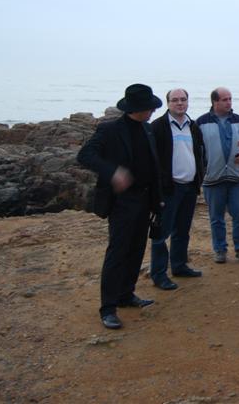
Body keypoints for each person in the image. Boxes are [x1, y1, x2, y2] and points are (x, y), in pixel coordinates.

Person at [77, 83, 164, 330]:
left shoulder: (147, 129)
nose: (152, 112)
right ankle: (108, 308)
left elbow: (153, 166)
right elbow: (85, 155)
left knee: (137, 249)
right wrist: (112, 172)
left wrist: (158, 199)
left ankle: (127, 294)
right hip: (122, 202)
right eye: (150, 108)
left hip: (145, 199)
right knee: (118, 252)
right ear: (138, 108)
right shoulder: (109, 130)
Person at [149, 88, 205, 290]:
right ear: (168, 103)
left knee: (182, 231)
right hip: (169, 189)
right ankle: (158, 274)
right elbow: (152, 160)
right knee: (161, 234)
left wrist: (199, 177)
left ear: (188, 102)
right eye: (175, 100)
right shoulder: (158, 127)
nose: (180, 103)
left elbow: (200, 154)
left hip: (190, 188)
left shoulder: (193, 126)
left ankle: (179, 266)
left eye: (183, 100)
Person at [195, 87, 239, 264]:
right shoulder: (201, 123)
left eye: (230, 99)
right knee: (216, 218)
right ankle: (220, 250)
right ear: (215, 102)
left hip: (237, 178)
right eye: (225, 99)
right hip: (213, 178)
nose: (229, 102)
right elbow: (196, 150)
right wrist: (202, 170)